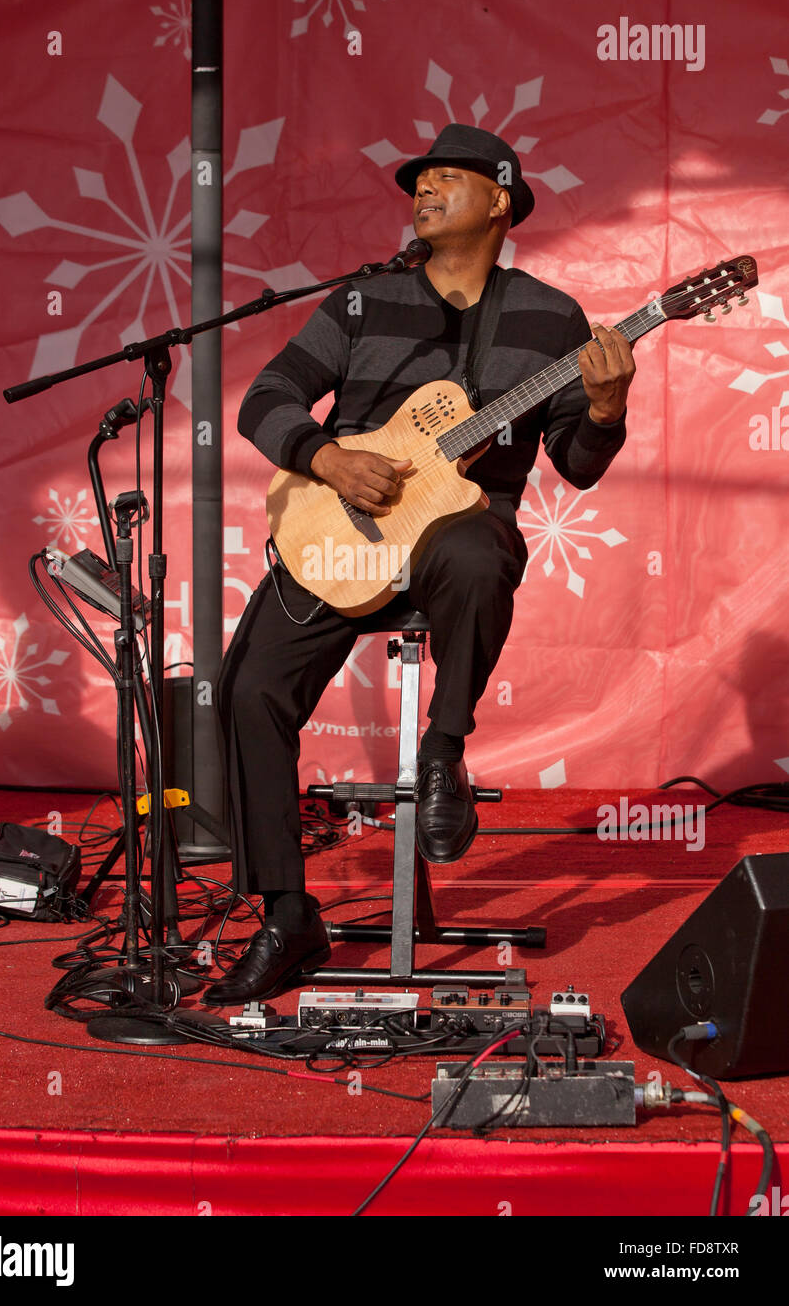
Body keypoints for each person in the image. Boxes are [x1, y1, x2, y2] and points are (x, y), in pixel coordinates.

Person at [202, 123, 635, 1005]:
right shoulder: (365, 303)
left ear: (500, 200)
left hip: (454, 541)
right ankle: (288, 915)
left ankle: (444, 752)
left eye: (446, 178)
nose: (423, 191)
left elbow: (578, 466)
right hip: (339, 528)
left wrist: (604, 406)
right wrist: (327, 459)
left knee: (479, 551)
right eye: (418, 181)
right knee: (247, 690)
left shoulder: (552, 318)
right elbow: (266, 396)